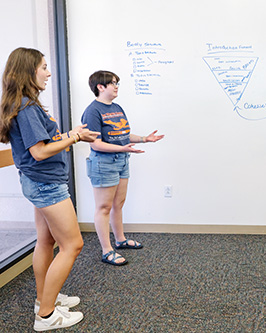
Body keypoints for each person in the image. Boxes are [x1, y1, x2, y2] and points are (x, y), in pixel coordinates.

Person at [0, 47, 99, 331]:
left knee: (46, 242)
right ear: (28, 71)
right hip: (46, 185)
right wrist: (75, 137)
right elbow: (39, 152)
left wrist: (72, 135)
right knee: (73, 244)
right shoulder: (27, 108)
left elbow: (45, 143)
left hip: (39, 183)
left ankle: (45, 299)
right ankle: (45, 315)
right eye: (43, 67)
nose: (48, 72)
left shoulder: (25, 103)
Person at [81, 70, 164, 266]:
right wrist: (122, 148)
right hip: (103, 162)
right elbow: (95, 144)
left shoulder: (117, 107)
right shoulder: (92, 111)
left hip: (122, 160)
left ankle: (120, 240)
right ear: (100, 87)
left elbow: (123, 135)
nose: (116, 86)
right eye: (112, 83)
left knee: (118, 203)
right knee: (103, 207)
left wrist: (145, 139)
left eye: (117, 82)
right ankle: (106, 250)